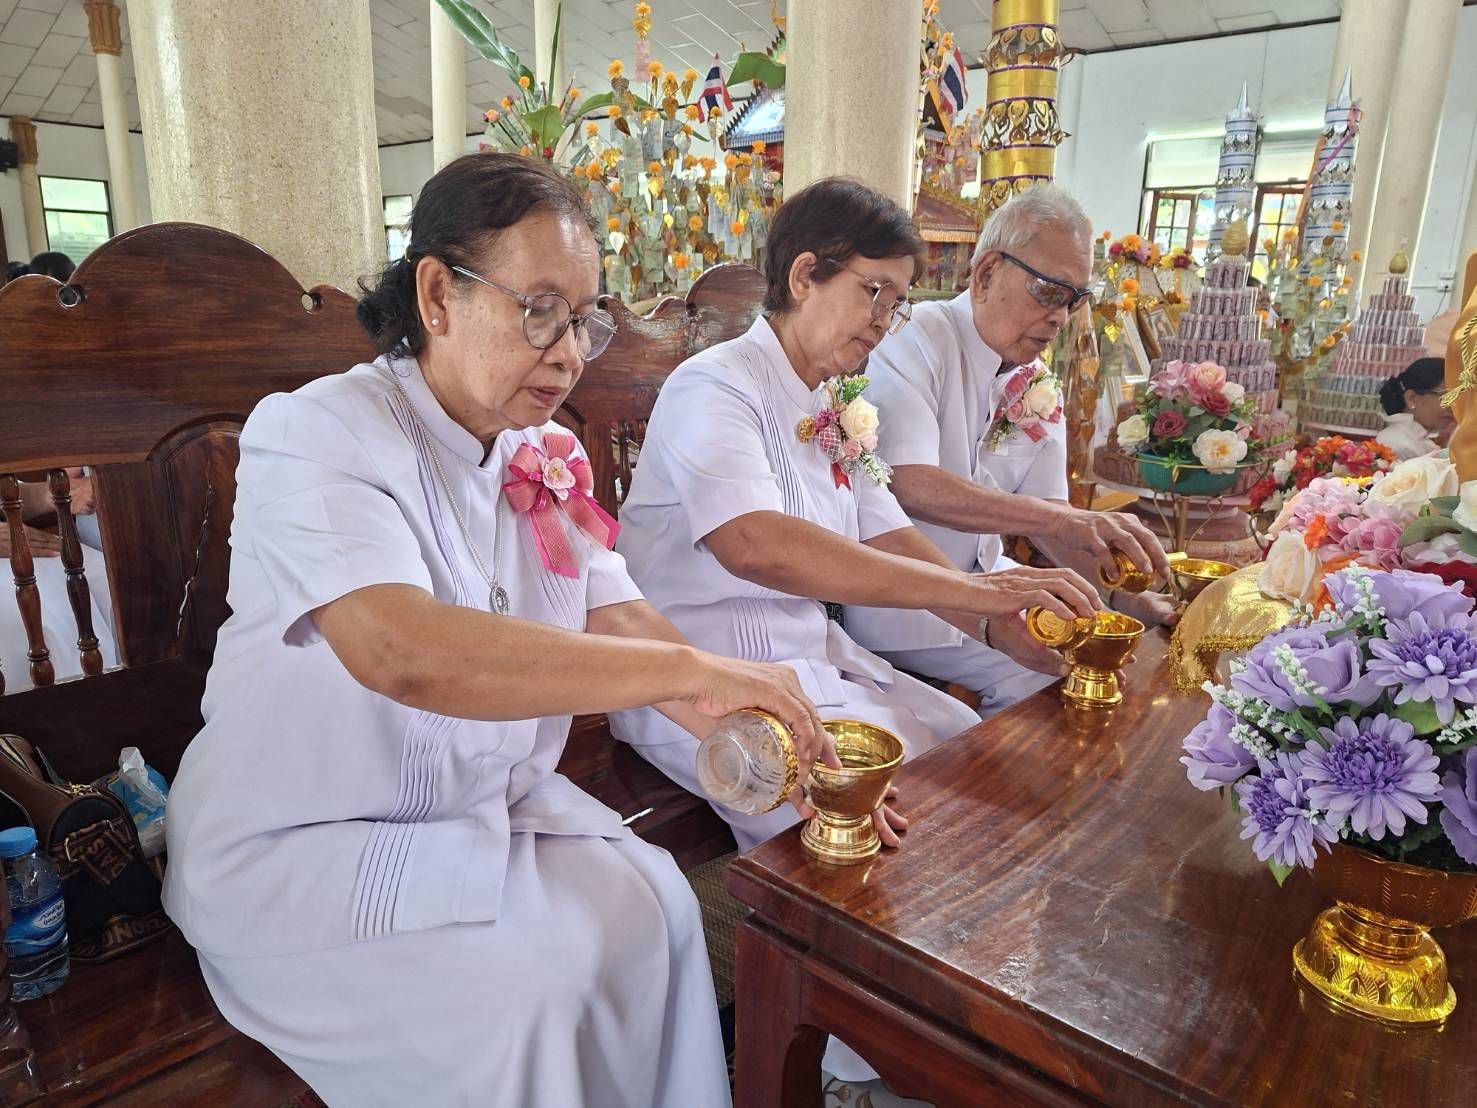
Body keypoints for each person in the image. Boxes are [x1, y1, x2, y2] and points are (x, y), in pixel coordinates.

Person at [162, 153, 834, 1108]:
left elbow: (623, 619)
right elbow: (402, 652)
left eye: (585, 319)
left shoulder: (543, 452)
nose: (567, 351)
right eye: (540, 310)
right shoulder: (317, 434)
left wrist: (782, 759)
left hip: (475, 813)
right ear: (437, 294)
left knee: (660, 914)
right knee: (530, 996)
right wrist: (682, 664)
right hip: (302, 840)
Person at [610, 176, 1099, 856]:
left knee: (968, 748)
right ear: (805, 275)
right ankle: (809, 947)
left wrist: (988, 617)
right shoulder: (716, 384)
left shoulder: (830, 401)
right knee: (892, 826)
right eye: (873, 292)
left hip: (810, 663)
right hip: (704, 681)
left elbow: (885, 529)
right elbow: (756, 544)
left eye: (896, 303)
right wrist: (971, 592)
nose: (882, 320)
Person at [844, 185, 1172, 713]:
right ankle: (994, 793)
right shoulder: (917, 338)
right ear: (987, 273)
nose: (1061, 318)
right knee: (1053, 681)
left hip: (1000, 584)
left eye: (1075, 299)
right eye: (1049, 291)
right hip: (909, 600)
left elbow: (1052, 516)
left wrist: (1116, 594)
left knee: (1112, 662)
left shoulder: (1037, 380)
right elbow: (907, 481)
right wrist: (1058, 524)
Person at [1378, 356, 1453, 459]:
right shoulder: (1398, 444)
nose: (1453, 405)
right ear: (1411, 398)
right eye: (1447, 396)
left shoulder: (1414, 440)